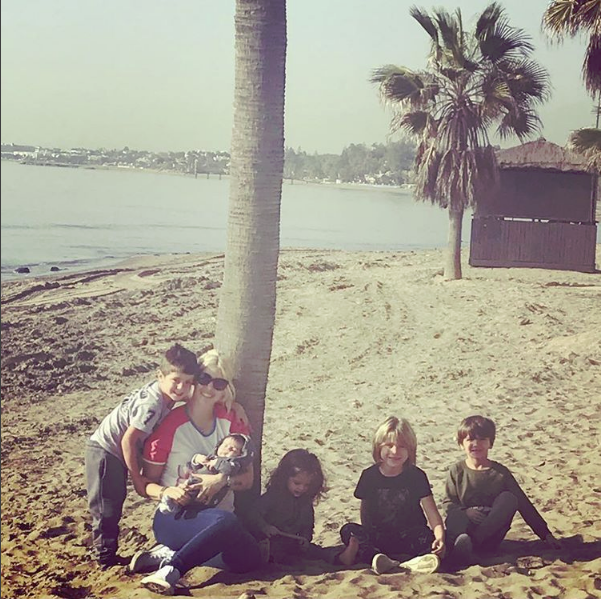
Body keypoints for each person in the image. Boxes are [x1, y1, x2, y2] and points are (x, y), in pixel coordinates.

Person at [129, 349, 262, 595]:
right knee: (227, 522)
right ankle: (171, 570)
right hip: (175, 517)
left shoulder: (233, 422)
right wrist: (167, 491)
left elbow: (248, 480)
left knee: (250, 559)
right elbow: (145, 484)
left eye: (219, 383)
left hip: (219, 522)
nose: (209, 388)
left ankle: (170, 553)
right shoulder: (169, 425)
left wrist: (220, 480)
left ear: (225, 389)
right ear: (194, 379)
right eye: (204, 378)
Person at [85, 343, 199, 568]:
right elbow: (127, 440)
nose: (181, 388)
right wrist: (137, 478)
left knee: (114, 501)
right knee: (107, 506)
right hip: (106, 451)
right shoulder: (152, 404)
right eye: (176, 380)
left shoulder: (166, 393)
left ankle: (105, 552)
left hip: (115, 450)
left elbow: (191, 397)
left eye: (188, 382)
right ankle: (104, 559)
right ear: (160, 376)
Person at [443, 415, 561, 568]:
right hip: (465, 528)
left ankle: (472, 546)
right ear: (461, 444)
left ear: (490, 443)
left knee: (509, 499)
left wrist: (545, 534)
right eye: (470, 439)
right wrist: (466, 512)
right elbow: (448, 503)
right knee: (455, 516)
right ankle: (460, 548)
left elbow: (523, 504)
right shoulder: (456, 470)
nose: (476, 444)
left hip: (490, 533)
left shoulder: (500, 473)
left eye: (482, 439)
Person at [337, 416, 444, 575]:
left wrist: (440, 536)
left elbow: (432, 513)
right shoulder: (369, 476)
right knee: (348, 530)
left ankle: (413, 562)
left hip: (408, 535)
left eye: (402, 446)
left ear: (410, 449)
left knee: (426, 536)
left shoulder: (416, 476)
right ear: (378, 447)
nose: (395, 451)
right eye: (389, 445)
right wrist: (369, 535)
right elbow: (365, 512)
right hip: (379, 536)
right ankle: (378, 559)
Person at [246, 448, 330, 564]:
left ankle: (340, 557)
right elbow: (253, 514)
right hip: (270, 542)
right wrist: (265, 527)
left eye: (307, 485)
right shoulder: (273, 496)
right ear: (285, 478)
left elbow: (308, 525)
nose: (301, 488)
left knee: (316, 551)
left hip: (292, 544)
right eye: (297, 483)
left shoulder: (305, 502)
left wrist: (305, 539)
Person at [158, 433, 254, 516]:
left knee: (220, 511)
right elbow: (191, 467)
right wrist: (197, 459)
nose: (228, 449)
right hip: (197, 488)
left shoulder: (234, 464)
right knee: (187, 489)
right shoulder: (211, 457)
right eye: (225, 445)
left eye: (233, 449)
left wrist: (216, 464)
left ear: (240, 455)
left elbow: (228, 469)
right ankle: (172, 504)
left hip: (221, 505)